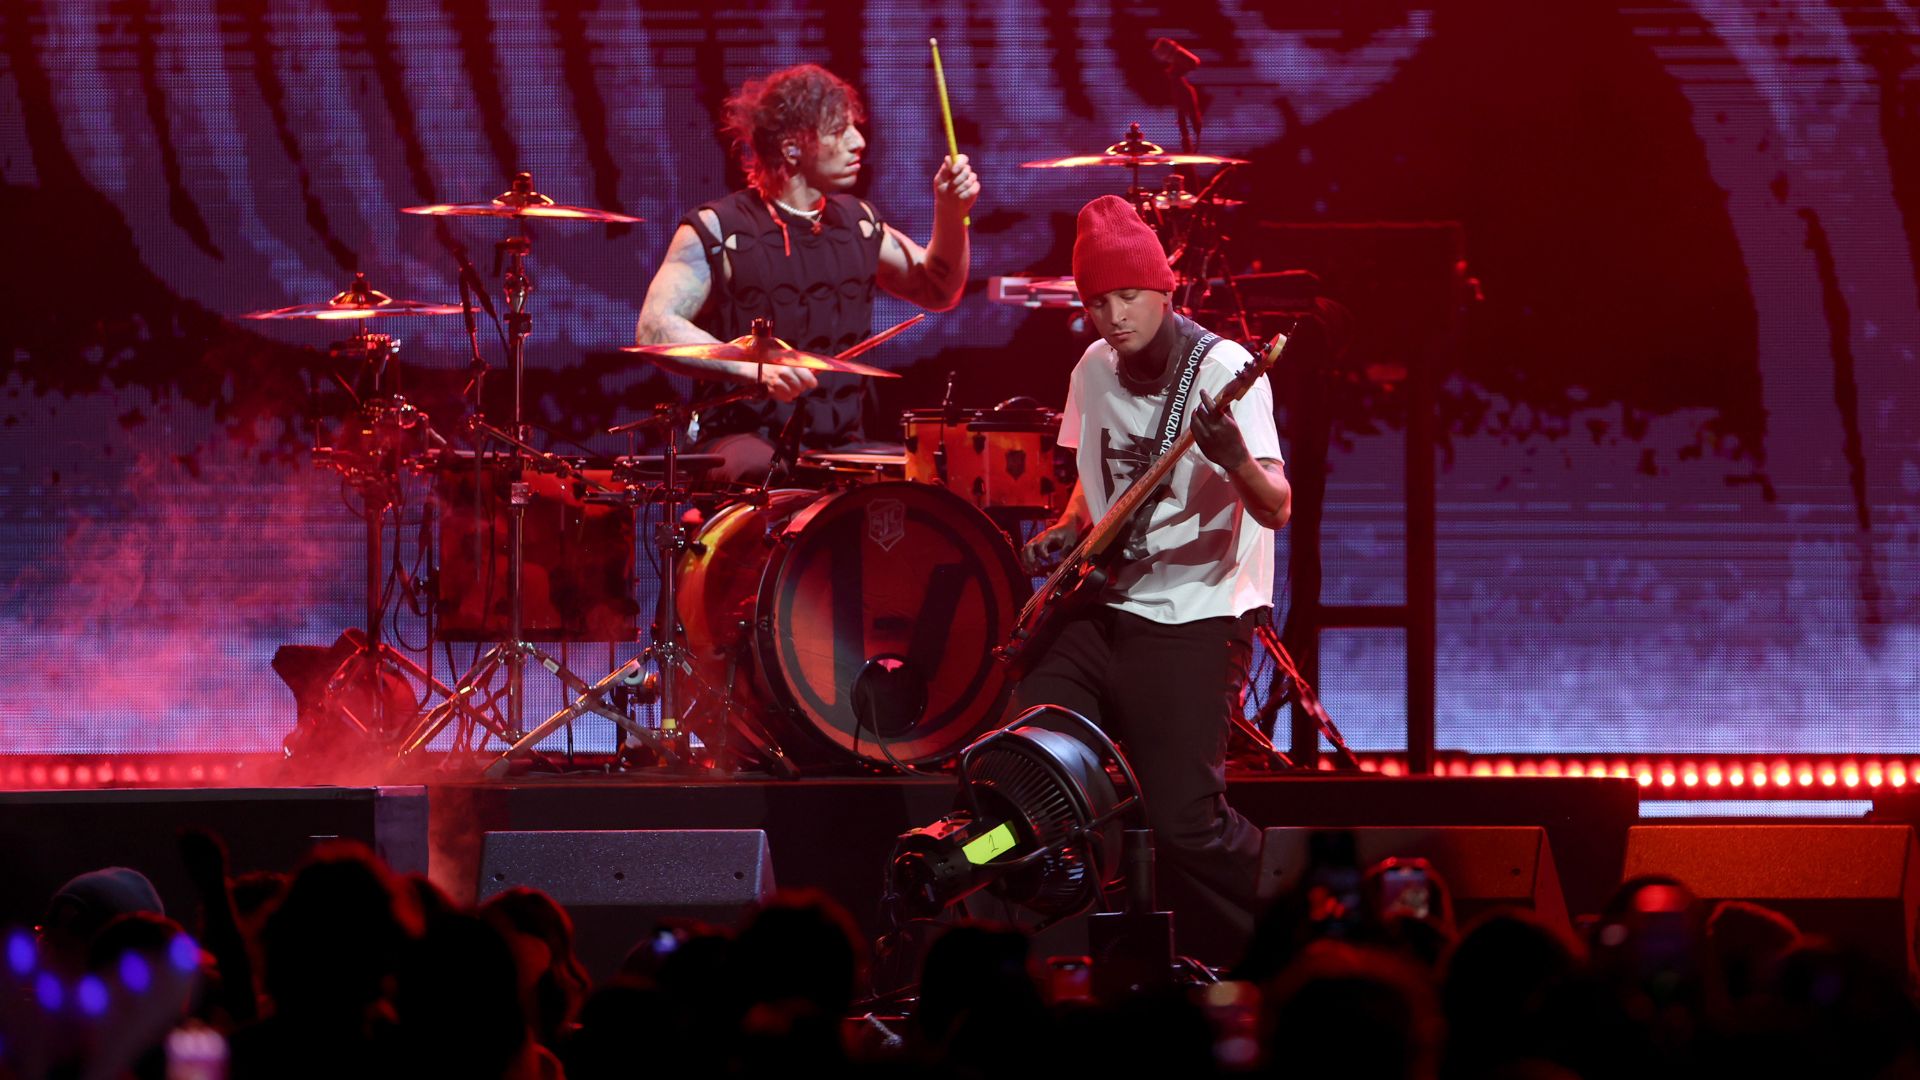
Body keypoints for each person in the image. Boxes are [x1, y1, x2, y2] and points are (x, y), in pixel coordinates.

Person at [1016, 194, 1292, 962]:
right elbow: (1091, 473)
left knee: (1189, 825)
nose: (1113, 315)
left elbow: (1276, 508)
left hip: (1195, 613)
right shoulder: (1092, 369)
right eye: (1097, 301)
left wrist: (1233, 456)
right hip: (1105, 605)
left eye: (1128, 296)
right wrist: (1069, 529)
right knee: (1028, 756)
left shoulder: (1227, 369)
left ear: (1165, 290)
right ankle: (1066, 950)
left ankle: (1316, 919)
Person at [635, 63, 979, 480]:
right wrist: (751, 368)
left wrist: (949, 212)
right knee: (768, 473)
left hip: (842, 445)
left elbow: (938, 290)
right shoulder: (718, 229)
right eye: (839, 131)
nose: (858, 142)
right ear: (792, 147)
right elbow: (656, 326)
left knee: (928, 483)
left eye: (855, 128)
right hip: (743, 439)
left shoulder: (859, 223)